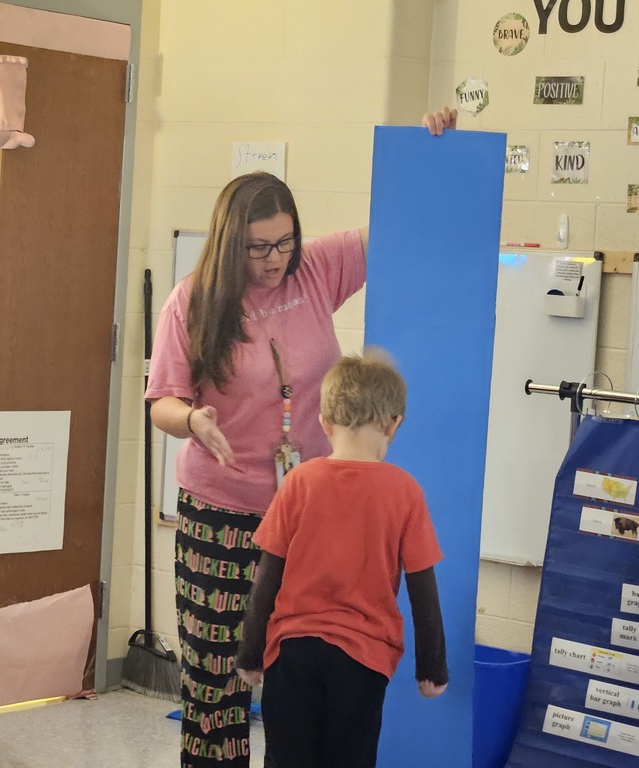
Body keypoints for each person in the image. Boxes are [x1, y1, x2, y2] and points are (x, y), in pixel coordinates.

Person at [146, 108, 456, 767]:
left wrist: (431, 149)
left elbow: (397, 225)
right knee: (218, 678)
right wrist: (194, 420)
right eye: (259, 247)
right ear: (231, 242)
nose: (275, 258)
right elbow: (162, 403)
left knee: (308, 673)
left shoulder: (314, 270)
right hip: (224, 512)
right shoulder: (193, 301)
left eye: (284, 242)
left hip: (312, 513)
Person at [235, 351, 448, 768]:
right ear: (393, 425)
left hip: (291, 654)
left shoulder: (299, 482)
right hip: (362, 661)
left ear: (324, 422)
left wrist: (250, 653)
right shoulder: (405, 491)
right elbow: (424, 588)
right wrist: (432, 668)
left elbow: (268, 578)